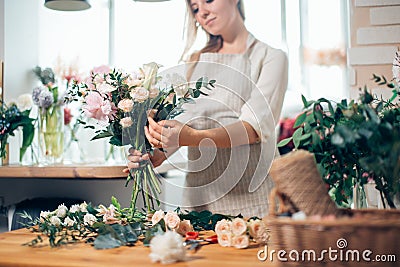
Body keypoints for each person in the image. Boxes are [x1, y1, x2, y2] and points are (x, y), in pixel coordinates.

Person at [125, 0, 288, 217]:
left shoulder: (270, 57)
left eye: (208, 0)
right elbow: (185, 125)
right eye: (194, 8)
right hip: (199, 202)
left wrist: (190, 136)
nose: (202, 12)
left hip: (254, 198)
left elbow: (253, 129)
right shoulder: (195, 61)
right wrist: (158, 152)